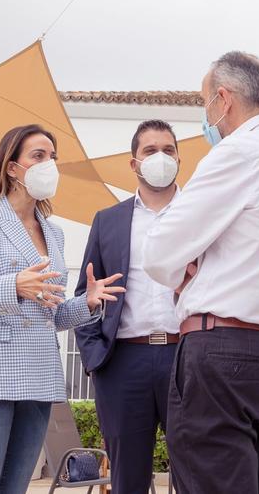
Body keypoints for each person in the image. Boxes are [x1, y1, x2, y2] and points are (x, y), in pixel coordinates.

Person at [143, 52, 259, 494]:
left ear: (223, 100)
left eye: (205, 102)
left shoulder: (237, 153)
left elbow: (159, 252)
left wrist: (189, 267)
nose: (207, 115)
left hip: (219, 350)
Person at [0, 124, 126, 494]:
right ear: (12, 167)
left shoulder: (52, 233)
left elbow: (51, 315)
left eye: (53, 157)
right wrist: (13, 286)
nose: (49, 164)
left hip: (38, 376)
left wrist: (86, 303)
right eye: (38, 156)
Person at [73, 119, 183, 494]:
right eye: (150, 151)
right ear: (133, 163)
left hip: (187, 359)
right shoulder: (108, 221)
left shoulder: (200, 213)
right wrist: (94, 359)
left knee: (196, 472)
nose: (161, 157)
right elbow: (84, 295)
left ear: (179, 159)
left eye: (168, 150)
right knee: (127, 480)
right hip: (123, 364)